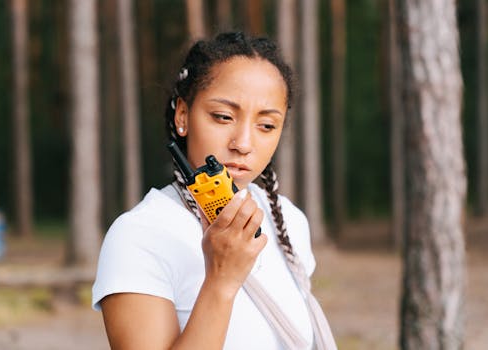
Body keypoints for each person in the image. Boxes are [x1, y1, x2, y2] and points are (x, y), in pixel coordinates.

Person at [92, 32, 336, 350]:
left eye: (266, 125)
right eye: (223, 117)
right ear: (183, 116)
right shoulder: (139, 236)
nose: (243, 144)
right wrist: (221, 281)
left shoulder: (289, 219)